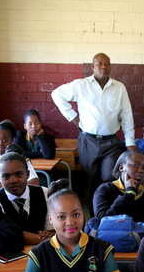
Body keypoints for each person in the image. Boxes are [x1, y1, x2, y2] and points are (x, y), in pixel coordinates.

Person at [51, 52, 136, 196]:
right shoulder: (81, 85)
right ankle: (92, 213)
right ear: (93, 67)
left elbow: (127, 115)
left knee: (108, 176)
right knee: (89, 179)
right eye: (99, 64)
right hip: (88, 141)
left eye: (107, 64)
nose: (103, 67)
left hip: (111, 142)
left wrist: (130, 142)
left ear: (110, 67)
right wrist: (73, 117)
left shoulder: (119, 88)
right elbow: (56, 94)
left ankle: (105, 209)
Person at [0, 152, 53, 245]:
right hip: (11, 254)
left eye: (18, 174)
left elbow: (52, 229)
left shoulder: (44, 193)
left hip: (41, 251)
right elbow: (7, 235)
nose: (13, 180)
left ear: (27, 174)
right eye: (6, 176)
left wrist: (49, 234)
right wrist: (40, 239)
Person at [92, 150, 144, 223]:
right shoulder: (105, 189)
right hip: (113, 233)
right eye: (136, 165)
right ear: (121, 167)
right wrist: (129, 193)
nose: (141, 170)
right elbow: (103, 219)